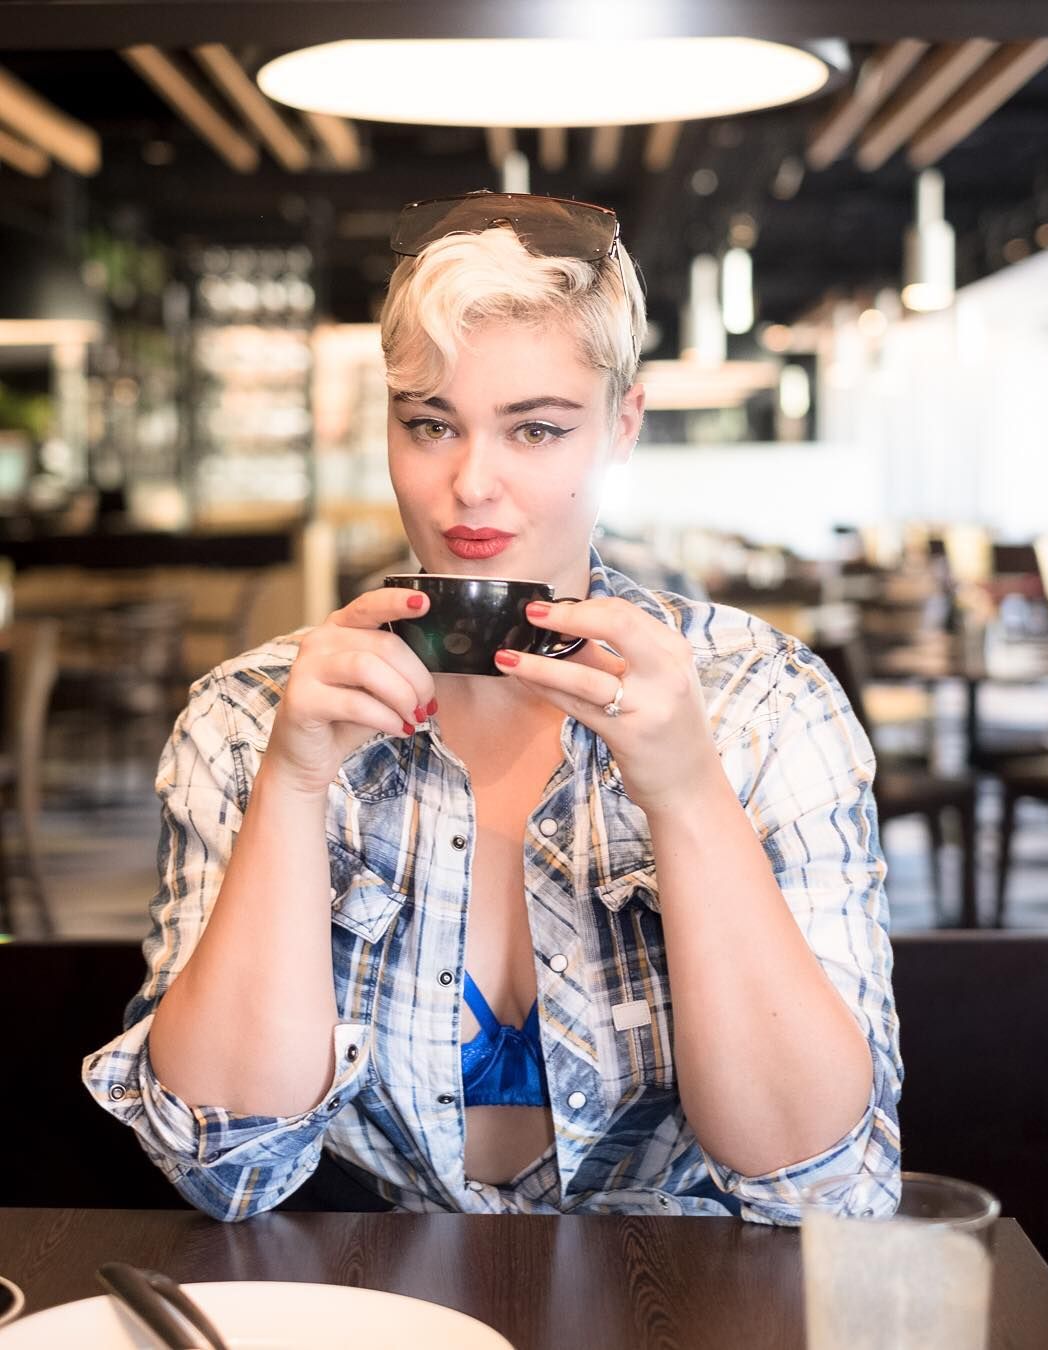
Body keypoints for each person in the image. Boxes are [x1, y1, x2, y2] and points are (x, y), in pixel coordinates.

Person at [84, 191, 901, 1222]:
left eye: (537, 429)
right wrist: (292, 786)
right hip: (374, 1289)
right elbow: (224, 1168)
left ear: (621, 428)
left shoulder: (765, 705)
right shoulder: (248, 720)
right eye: (431, 424)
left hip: (684, 1292)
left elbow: (826, 1194)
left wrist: (691, 795)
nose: (472, 483)